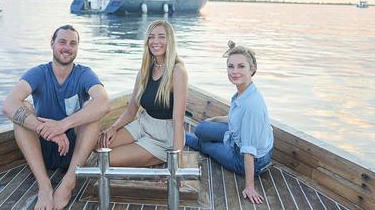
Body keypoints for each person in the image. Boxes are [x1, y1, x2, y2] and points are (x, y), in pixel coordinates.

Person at [1, 25, 109, 210]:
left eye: (72, 43)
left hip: (74, 153)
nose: (67, 47)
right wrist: (47, 131)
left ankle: (69, 182)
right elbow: (8, 104)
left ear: (77, 48)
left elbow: (104, 103)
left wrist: (62, 125)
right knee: (22, 109)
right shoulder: (39, 72)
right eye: (62, 42)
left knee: (92, 107)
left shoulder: (84, 74)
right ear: (52, 44)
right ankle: (44, 185)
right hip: (41, 153)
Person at [185, 41, 273, 205]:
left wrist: (250, 186)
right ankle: (205, 137)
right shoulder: (244, 92)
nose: (235, 71)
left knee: (205, 145)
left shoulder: (251, 106)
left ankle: (183, 137)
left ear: (252, 69)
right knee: (202, 128)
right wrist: (216, 120)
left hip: (251, 160)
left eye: (241, 66)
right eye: (230, 66)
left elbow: (248, 150)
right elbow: (236, 119)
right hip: (236, 136)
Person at [98, 20, 188, 166]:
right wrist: (113, 128)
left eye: (161, 37)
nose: (155, 41)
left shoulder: (178, 71)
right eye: (151, 37)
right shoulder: (145, 70)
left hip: (164, 136)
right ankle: (141, 148)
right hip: (143, 124)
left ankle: (158, 154)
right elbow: (132, 109)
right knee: (100, 147)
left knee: (108, 158)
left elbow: (178, 121)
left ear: (170, 40)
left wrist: (177, 164)